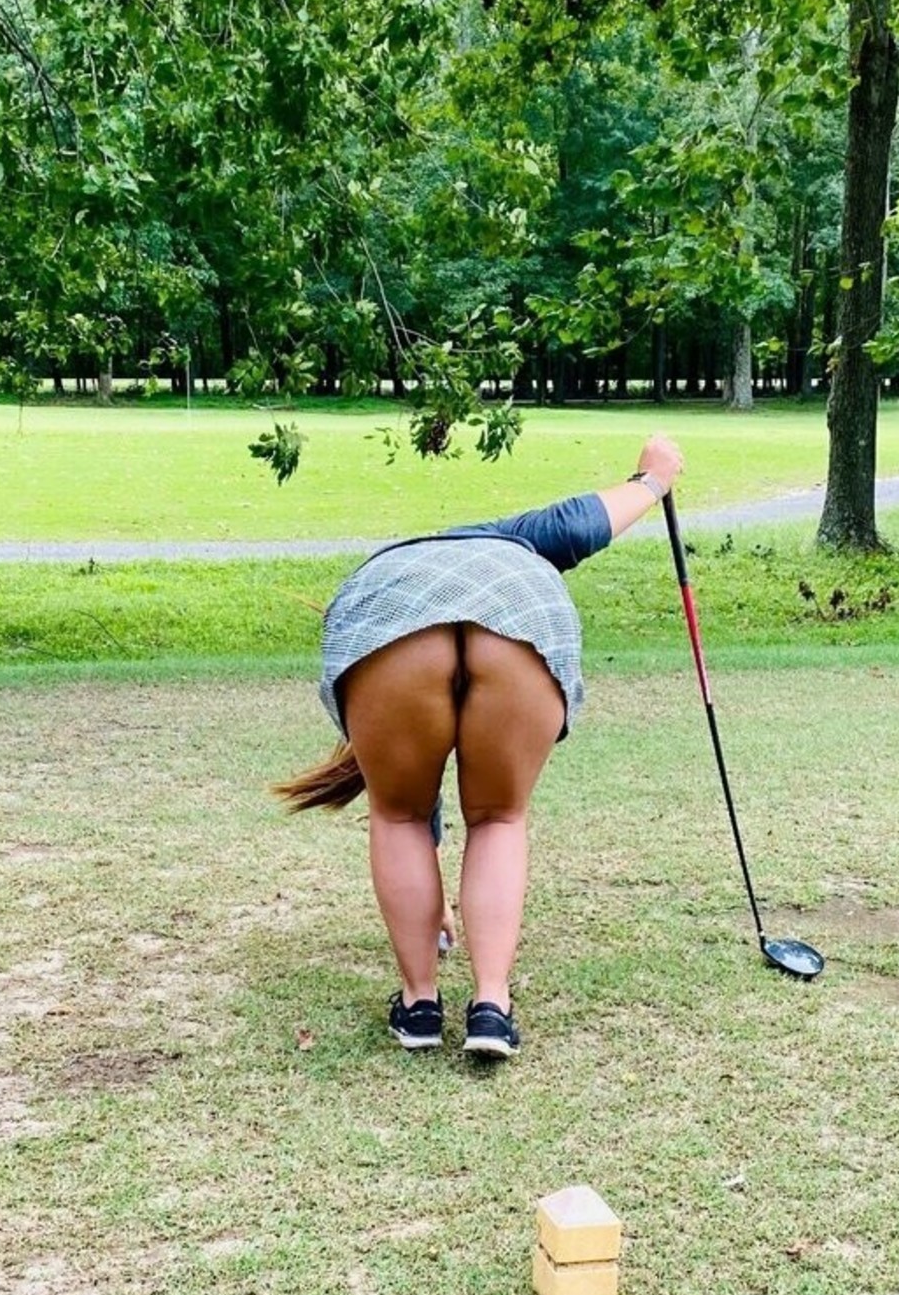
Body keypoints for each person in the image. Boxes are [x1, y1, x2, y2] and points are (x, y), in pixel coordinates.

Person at [274, 434, 683, 1058]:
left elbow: (415, 802)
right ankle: (491, 1006)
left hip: (388, 622)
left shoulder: (392, 567)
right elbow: (582, 524)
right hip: (521, 616)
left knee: (398, 813)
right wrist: (653, 481)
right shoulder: (518, 541)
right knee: (497, 818)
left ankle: (419, 1006)